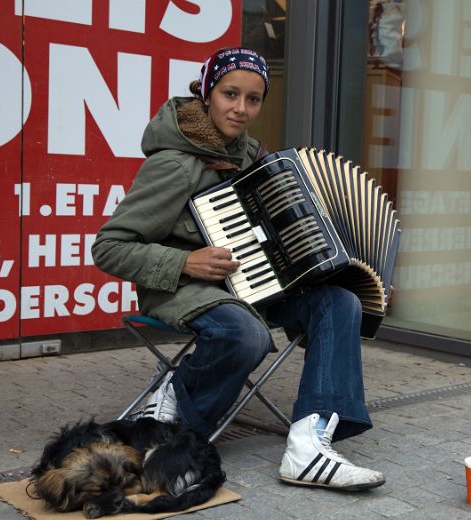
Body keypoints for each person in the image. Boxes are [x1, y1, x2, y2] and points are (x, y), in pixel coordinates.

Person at [92, 47, 385, 491]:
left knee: (340, 303)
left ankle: (309, 444)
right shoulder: (174, 164)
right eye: (231, 94)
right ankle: (177, 424)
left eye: (253, 99)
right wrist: (185, 260)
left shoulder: (256, 161)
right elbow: (109, 247)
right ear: (207, 92)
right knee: (244, 334)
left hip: (254, 287)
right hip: (185, 288)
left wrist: (359, 278)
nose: (241, 109)